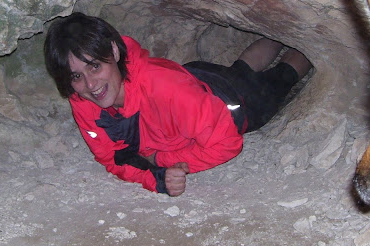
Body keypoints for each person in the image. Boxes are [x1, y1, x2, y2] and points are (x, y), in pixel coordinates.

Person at [44, 12, 312, 197]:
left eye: (94, 66)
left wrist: (161, 160)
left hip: (228, 104)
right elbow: (112, 159)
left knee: (280, 77)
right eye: (77, 76)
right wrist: (157, 179)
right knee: (239, 72)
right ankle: (279, 33)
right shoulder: (83, 97)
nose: (90, 85)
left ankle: (308, 38)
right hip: (194, 79)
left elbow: (227, 143)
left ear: (114, 52)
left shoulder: (163, 89)